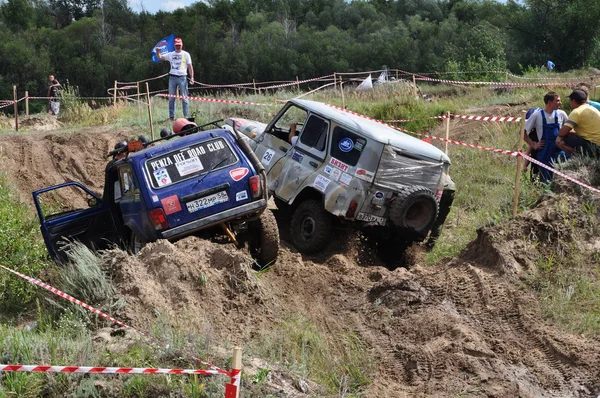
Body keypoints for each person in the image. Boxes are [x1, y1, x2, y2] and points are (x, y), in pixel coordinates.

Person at [522, 91, 568, 181]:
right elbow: (522, 133)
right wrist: (533, 144)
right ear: (550, 102)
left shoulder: (561, 114)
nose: (560, 103)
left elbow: (570, 129)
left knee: (561, 179)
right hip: (545, 153)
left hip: (559, 151)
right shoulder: (537, 115)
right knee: (545, 180)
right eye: (557, 101)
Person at [155, 37, 194, 121]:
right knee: (171, 98)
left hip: (182, 78)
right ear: (174, 45)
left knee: (184, 98)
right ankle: (171, 117)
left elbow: (190, 66)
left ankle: (186, 116)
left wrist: (192, 77)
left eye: (179, 45)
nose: (178, 47)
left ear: (182, 45)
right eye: (176, 45)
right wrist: (158, 51)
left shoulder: (186, 54)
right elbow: (160, 57)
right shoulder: (171, 54)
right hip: (172, 78)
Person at [556, 89, 600, 157]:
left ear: (573, 101)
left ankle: (578, 158)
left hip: (594, 146)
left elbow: (562, 133)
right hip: (596, 143)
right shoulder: (592, 108)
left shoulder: (577, 112)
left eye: (570, 100)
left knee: (559, 140)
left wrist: (568, 132)